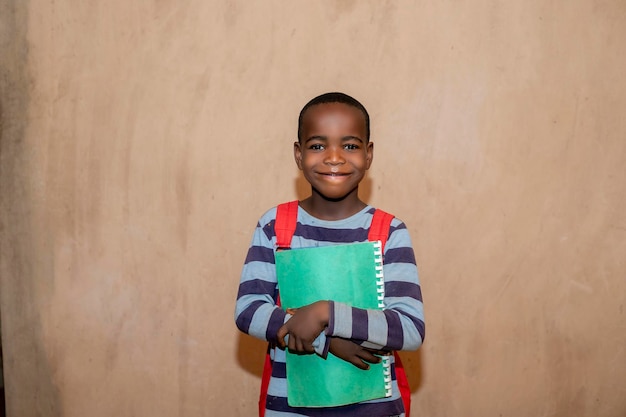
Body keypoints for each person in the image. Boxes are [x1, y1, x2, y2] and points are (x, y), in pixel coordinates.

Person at [235, 92, 425, 417]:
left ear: (369, 154)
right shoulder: (275, 226)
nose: (334, 157)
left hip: (375, 409)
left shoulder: (389, 231)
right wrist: (328, 341)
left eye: (349, 145)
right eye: (317, 145)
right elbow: (248, 311)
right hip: (290, 409)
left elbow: (409, 329)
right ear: (298, 154)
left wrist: (326, 313)